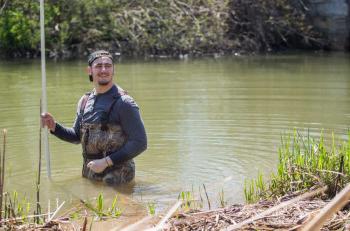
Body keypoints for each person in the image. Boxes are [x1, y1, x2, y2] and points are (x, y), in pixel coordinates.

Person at [41, 50, 147, 185]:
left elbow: (140, 143)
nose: (104, 70)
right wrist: (54, 126)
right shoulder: (84, 101)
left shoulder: (124, 103)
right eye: (98, 66)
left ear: (113, 70)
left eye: (108, 66)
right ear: (89, 70)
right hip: (90, 174)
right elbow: (76, 136)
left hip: (118, 178)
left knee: (116, 205)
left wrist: (106, 162)